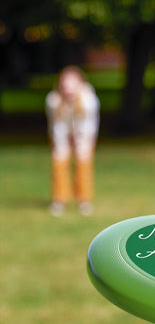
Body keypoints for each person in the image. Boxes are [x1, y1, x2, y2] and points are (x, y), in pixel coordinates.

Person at [45, 65, 100, 216]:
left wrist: (81, 141)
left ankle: (84, 200)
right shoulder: (53, 100)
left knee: (83, 163)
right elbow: (56, 125)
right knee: (59, 161)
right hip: (61, 133)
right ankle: (59, 199)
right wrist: (62, 143)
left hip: (84, 134)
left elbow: (89, 125)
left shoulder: (89, 100)